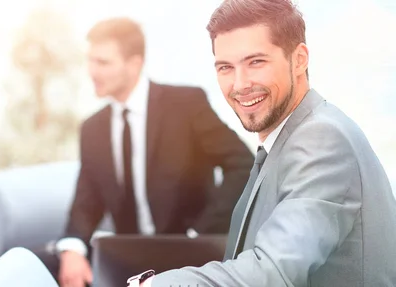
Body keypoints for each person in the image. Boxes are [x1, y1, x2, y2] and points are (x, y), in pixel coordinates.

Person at [133, 0, 396, 286]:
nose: (240, 84)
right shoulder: (286, 140)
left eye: (255, 62)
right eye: (225, 67)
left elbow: (271, 271)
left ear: (299, 59)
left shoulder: (320, 139)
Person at [35, 17, 254, 287]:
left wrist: (203, 232)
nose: (92, 71)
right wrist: (72, 248)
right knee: (40, 263)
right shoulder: (93, 129)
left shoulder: (186, 105)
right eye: (90, 61)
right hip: (129, 258)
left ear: (134, 64)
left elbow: (243, 164)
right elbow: (86, 202)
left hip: (190, 253)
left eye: (102, 62)